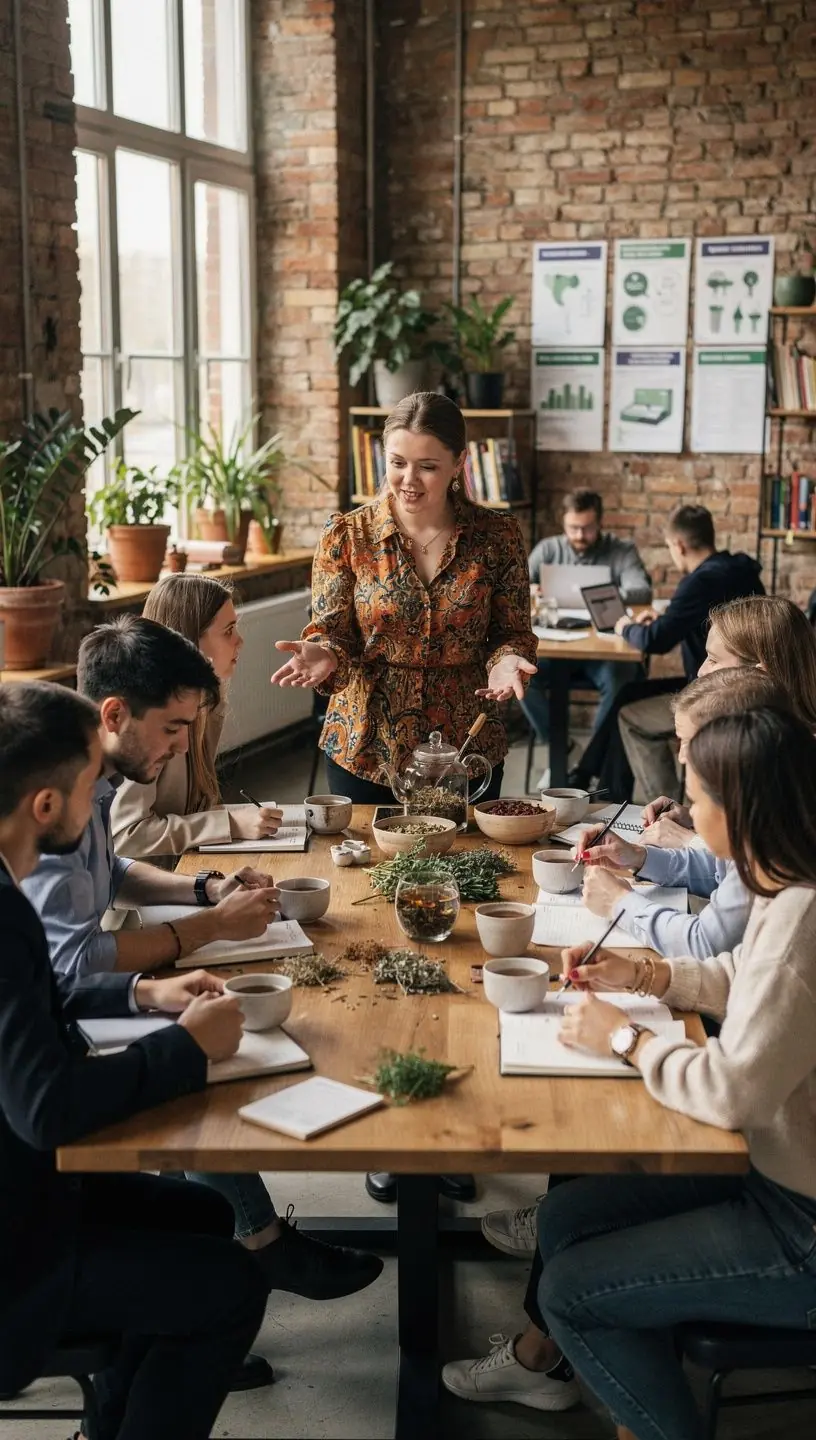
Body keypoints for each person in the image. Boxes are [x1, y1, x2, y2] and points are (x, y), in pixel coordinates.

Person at [448, 706, 816, 1437]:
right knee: (562, 1219)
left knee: (571, 1291)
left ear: (738, 811)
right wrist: (641, 974)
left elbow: (731, 1093)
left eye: (697, 795)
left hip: (800, 1223)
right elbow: (733, 973)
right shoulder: (791, 891)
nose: (684, 811)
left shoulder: (803, 921)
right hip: (776, 1177)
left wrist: (625, 1042)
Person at [23, 616, 383, 1313]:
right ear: (115, 713)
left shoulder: (90, 780)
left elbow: (114, 869)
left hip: (83, 1008)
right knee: (207, 1064)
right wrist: (206, 930)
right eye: (174, 729)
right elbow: (72, 961)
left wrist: (204, 888)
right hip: (57, 1048)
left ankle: (243, 1246)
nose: (183, 745)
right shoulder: (55, 804)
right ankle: (246, 1255)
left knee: (212, 1034)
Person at [0, 680, 269, 1438]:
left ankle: (109, 1422)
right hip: (15, 1244)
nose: (100, 810)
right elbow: (45, 1108)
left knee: (209, 1211)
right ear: (46, 806)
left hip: (32, 1184)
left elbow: (34, 1005)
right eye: (92, 786)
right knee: (232, 1285)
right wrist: (187, 1048)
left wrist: (143, 998)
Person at [271, 391, 538, 806]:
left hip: (464, 746)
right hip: (366, 742)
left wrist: (506, 659)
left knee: (464, 866)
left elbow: (512, 631)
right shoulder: (347, 535)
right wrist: (326, 654)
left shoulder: (497, 536)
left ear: (459, 464)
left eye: (427, 467)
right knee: (368, 868)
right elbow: (332, 632)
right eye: (397, 463)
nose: (408, 481)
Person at [578, 668, 789, 958]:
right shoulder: (761, 808)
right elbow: (719, 874)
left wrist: (619, 902)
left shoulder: (767, 839)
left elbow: (705, 943)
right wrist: (639, 857)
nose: (679, 755)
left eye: (687, 741)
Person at [571, 504, 764, 800]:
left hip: (711, 690)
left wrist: (624, 627)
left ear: (679, 545)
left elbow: (656, 642)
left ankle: (659, 802)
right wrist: (662, 619)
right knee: (628, 693)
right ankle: (599, 787)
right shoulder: (741, 569)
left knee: (629, 713)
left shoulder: (699, 581)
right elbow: (688, 621)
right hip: (746, 686)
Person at [112, 574, 282, 863]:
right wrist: (230, 823)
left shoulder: (207, 705)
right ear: (189, 641)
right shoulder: (143, 720)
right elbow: (125, 836)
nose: (240, 641)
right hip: (144, 897)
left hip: (187, 871)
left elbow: (189, 812)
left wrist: (235, 819)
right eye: (228, 630)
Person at [634, 594, 816, 835]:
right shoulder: (765, 740)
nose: (700, 672)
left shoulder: (793, 761)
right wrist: (697, 817)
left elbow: (763, 860)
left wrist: (689, 840)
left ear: (759, 674)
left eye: (713, 660)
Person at [522, 488, 650, 746]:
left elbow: (642, 590)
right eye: (573, 528)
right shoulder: (548, 549)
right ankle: (560, 747)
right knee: (520, 673)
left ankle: (591, 759)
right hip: (556, 647)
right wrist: (531, 589)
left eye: (587, 528)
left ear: (600, 523)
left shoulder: (621, 550)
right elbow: (515, 583)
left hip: (603, 651)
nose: (579, 535)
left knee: (622, 677)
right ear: (564, 523)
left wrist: (602, 596)